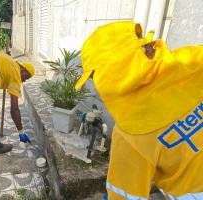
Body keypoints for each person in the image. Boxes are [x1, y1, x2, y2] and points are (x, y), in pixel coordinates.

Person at [75, 21, 203, 199]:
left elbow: (126, 196)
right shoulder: (194, 60)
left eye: (94, 76)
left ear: (111, 73)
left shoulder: (130, 134)